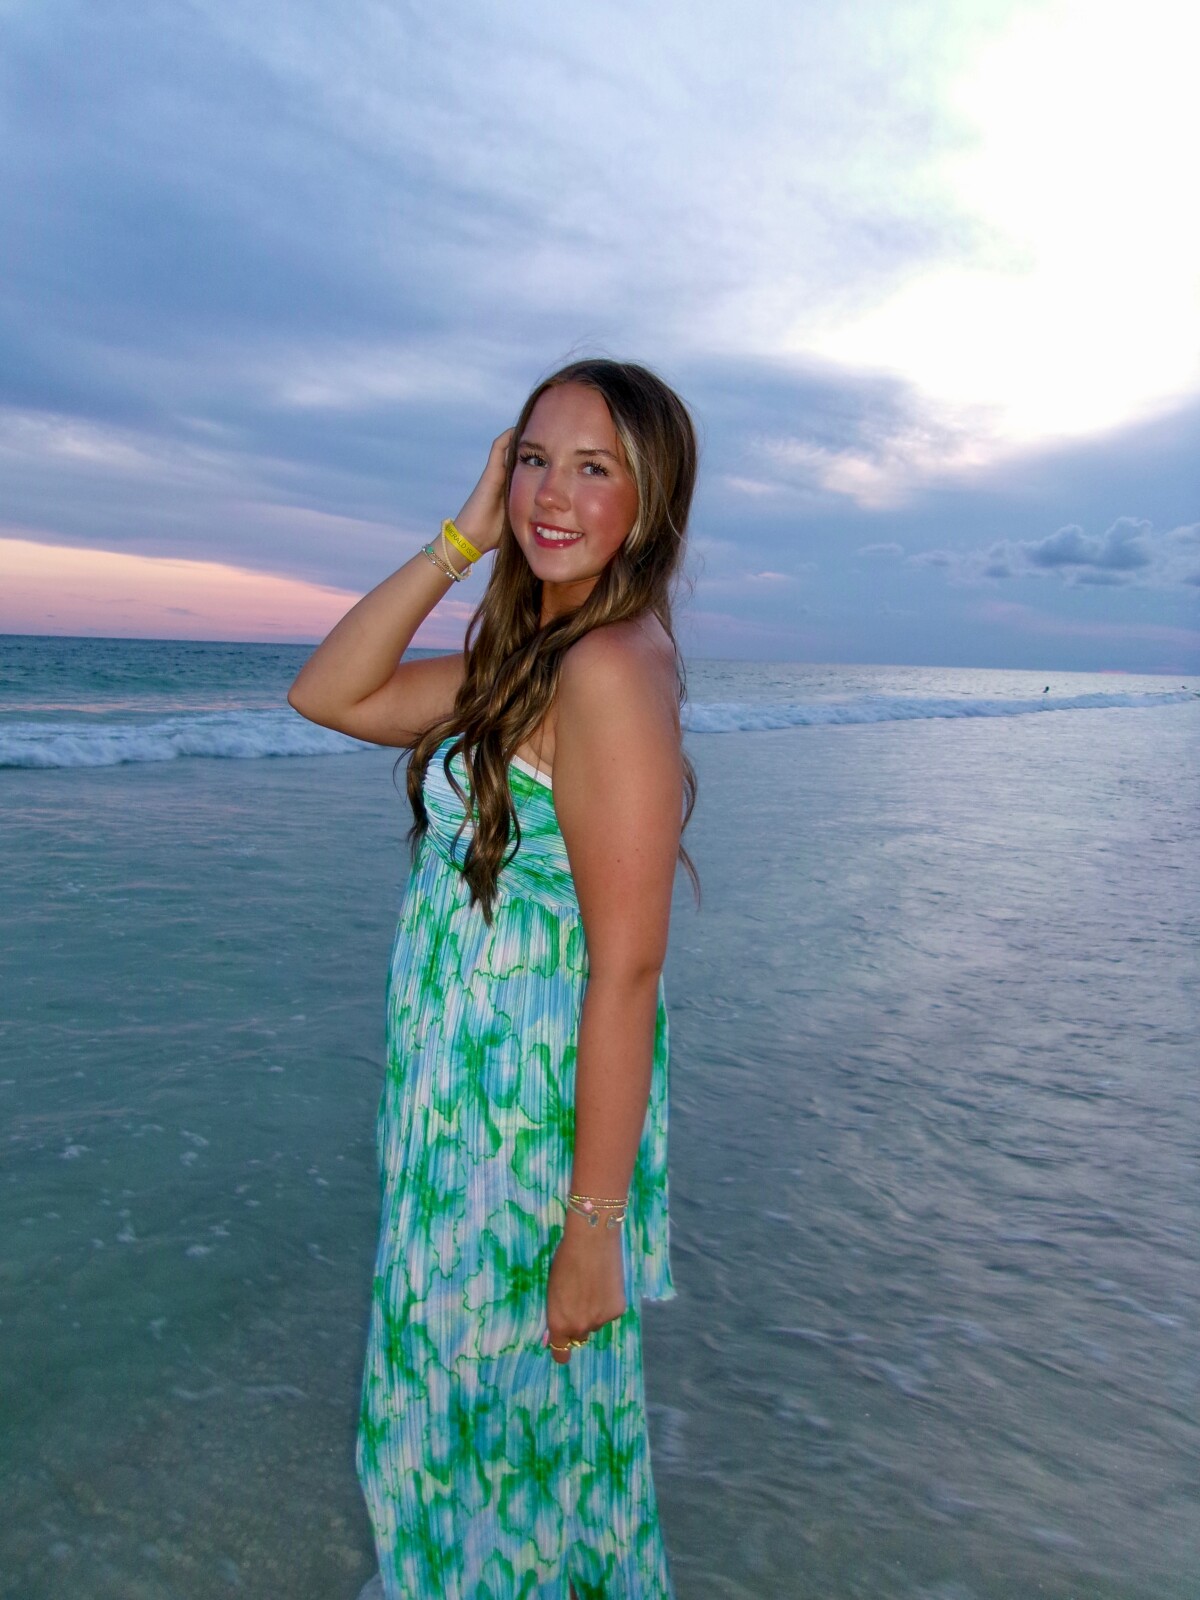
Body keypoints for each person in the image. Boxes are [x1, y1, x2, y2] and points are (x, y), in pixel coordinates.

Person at [288, 358, 701, 1598]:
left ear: (650, 499)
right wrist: (462, 536)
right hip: (462, 1126)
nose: (551, 495)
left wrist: (591, 1232)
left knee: (489, 1456)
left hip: (523, 1152)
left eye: (593, 468)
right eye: (532, 460)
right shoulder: (537, 657)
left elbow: (628, 969)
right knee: (485, 1454)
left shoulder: (606, 668)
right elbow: (328, 690)